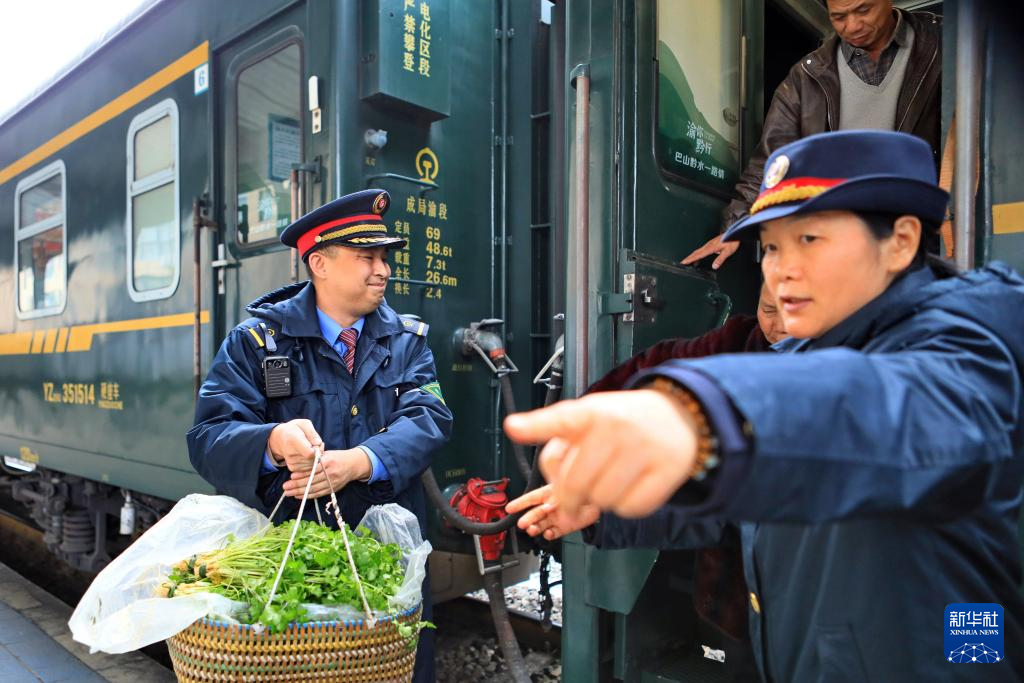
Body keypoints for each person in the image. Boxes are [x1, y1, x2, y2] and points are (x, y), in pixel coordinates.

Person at [506, 130, 1024, 681]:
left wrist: (700, 420)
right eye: (772, 247)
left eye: (809, 239)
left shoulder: (972, 346)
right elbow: (751, 498)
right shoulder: (808, 351)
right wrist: (613, 503)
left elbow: (869, 412)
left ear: (900, 241)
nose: (780, 272)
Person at [187, 188, 453, 683]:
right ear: (319, 263)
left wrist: (361, 461)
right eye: (366, 257)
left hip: (388, 563)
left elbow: (429, 417)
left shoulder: (407, 341)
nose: (383, 270)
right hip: (291, 567)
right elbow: (209, 437)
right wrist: (272, 441)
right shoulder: (256, 343)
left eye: (384, 258)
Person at [683, 0, 941, 270]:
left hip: (923, 236)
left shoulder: (939, 43)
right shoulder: (806, 77)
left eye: (863, 10)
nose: (853, 26)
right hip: (842, 246)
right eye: (839, 17)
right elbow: (772, 161)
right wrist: (735, 227)